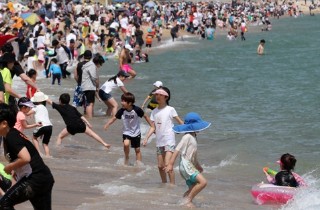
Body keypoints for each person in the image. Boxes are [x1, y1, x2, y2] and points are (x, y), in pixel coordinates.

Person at [0, 103, 54, 210]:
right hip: (43, 177)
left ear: (4, 123)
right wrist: (16, 169)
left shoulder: (12, 137)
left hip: (35, 179)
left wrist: (9, 167)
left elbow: (25, 158)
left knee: (4, 203)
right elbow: (29, 156)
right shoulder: (11, 135)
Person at [165, 112, 211, 208]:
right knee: (203, 182)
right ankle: (188, 200)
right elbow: (177, 150)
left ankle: (183, 201)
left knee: (193, 187)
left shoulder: (193, 137)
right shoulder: (187, 137)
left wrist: (198, 166)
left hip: (189, 164)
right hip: (186, 165)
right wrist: (170, 164)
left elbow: (193, 155)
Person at [143, 87, 184, 184]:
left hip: (169, 140)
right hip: (159, 141)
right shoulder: (154, 111)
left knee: (167, 164)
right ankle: (164, 184)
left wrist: (189, 130)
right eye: (156, 94)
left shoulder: (170, 109)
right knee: (160, 166)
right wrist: (146, 138)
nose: (157, 96)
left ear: (166, 97)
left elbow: (180, 122)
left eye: (160, 95)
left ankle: (172, 185)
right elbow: (153, 127)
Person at [46, 93, 111, 148]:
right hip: (80, 124)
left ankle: (58, 148)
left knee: (60, 136)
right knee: (92, 134)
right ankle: (104, 143)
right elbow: (80, 116)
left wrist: (40, 93)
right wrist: (88, 123)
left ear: (60, 100)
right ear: (68, 101)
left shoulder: (59, 107)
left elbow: (49, 101)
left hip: (71, 126)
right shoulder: (72, 107)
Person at [104, 92, 152, 165]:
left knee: (137, 150)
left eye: (123, 101)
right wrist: (107, 124)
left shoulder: (137, 110)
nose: (121, 102)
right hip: (126, 132)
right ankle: (127, 157)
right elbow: (114, 118)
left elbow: (145, 116)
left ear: (129, 103)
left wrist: (152, 125)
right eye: (122, 100)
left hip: (136, 132)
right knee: (126, 144)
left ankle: (139, 165)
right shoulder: (122, 111)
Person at [28, 92, 53, 158]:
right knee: (45, 143)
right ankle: (48, 155)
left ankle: (38, 153)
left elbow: (27, 113)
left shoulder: (36, 107)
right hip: (50, 126)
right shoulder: (45, 108)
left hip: (42, 126)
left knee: (34, 138)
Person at [81, 53, 105, 118]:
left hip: (85, 86)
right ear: (98, 62)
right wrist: (97, 86)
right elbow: (94, 78)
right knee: (90, 104)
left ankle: (89, 116)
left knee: (89, 103)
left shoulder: (88, 65)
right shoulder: (92, 66)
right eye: (101, 64)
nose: (101, 65)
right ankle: (90, 118)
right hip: (89, 87)